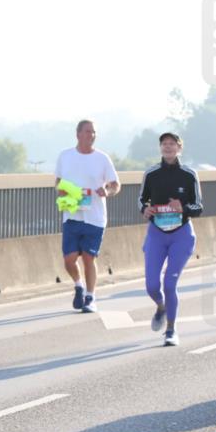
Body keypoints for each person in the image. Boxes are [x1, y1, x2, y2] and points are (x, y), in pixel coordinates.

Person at [138, 132, 203, 346]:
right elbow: (141, 200)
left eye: (172, 144)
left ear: (179, 148)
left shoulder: (189, 174)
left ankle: (171, 330)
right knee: (151, 286)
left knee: (169, 283)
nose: (168, 147)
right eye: (164, 144)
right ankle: (161, 307)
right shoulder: (151, 173)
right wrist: (145, 210)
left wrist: (182, 208)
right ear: (160, 148)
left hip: (181, 235)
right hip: (157, 233)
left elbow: (199, 207)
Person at [54, 119, 120, 313]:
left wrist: (107, 190)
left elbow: (115, 184)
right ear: (78, 134)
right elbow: (58, 182)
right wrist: (64, 191)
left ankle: (90, 298)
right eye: (88, 131)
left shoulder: (102, 158)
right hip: (72, 214)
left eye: (94, 132)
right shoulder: (65, 156)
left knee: (89, 258)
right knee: (69, 259)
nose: (91, 135)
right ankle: (78, 285)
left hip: (95, 217)